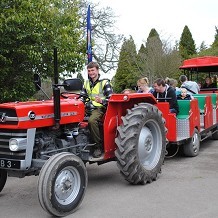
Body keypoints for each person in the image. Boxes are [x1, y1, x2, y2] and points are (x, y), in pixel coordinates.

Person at [80, 61, 113, 158]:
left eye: (93, 70)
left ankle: (98, 146)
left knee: (92, 120)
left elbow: (111, 99)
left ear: (97, 70)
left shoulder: (104, 82)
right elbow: (82, 97)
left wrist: (102, 101)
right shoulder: (86, 83)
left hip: (99, 108)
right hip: (87, 108)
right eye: (89, 71)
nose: (91, 73)